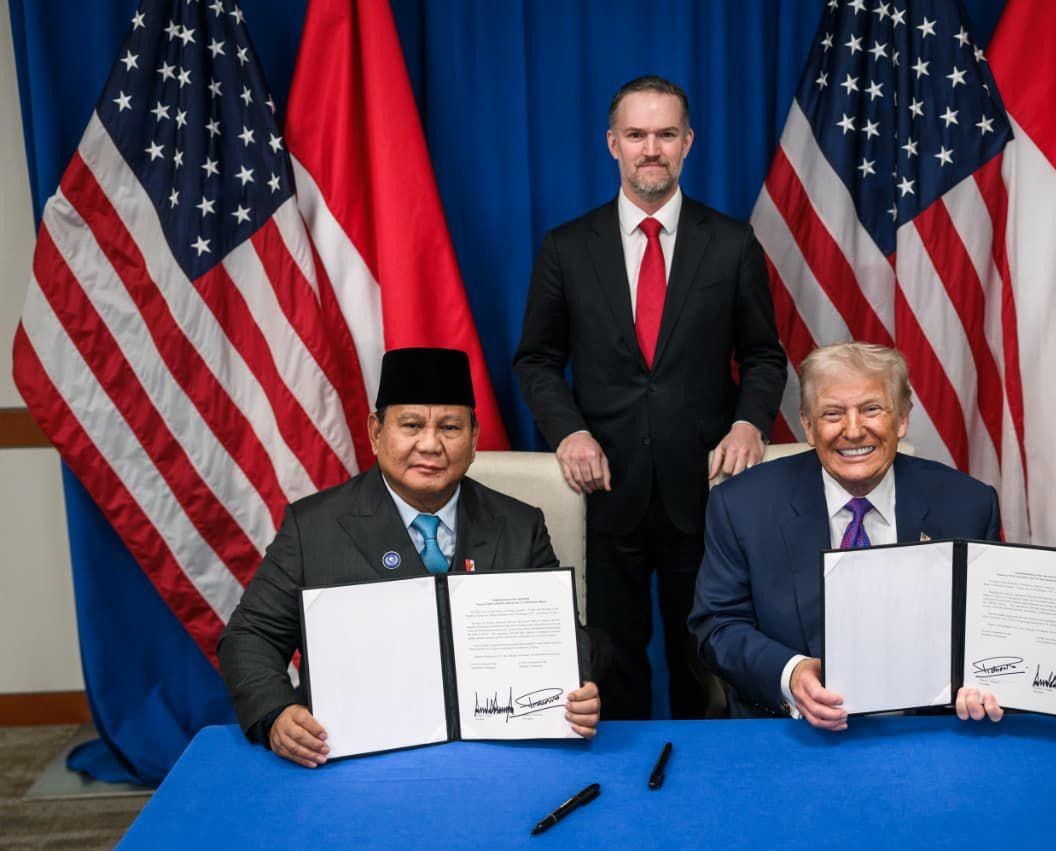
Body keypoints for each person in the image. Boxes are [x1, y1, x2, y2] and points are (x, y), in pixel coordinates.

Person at [513, 75, 787, 720]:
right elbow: (537, 360)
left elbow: (764, 355)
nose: (651, 149)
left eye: (666, 134)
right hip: (606, 489)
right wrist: (570, 432)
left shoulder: (732, 243)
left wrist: (749, 424)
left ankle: (709, 773)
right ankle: (624, 776)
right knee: (613, 659)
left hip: (709, 491)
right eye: (636, 135)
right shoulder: (567, 247)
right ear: (613, 144)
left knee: (707, 659)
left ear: (688, 142)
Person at [218, 347, 601, 767]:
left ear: (474, 438)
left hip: (494, 756)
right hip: (351, 759)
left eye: (450, 427)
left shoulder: (520, 525)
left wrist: (578, 685)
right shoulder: (312, 527)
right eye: (412, 425)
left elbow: (564, 635)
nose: (430, 445)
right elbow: (251, 636)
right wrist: (276, 713)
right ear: (376, 432)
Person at [688, 342, 1004, 730]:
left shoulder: (968, 504)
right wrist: (791, 674)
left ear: (902, 419)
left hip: (927, 730)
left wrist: (984, 679)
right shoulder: (742, 506)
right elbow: (717, 626)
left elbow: (991, 629)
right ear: (808, 426)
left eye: (871, 410)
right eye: (832, 413)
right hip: (790, 731)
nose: (853, 431)